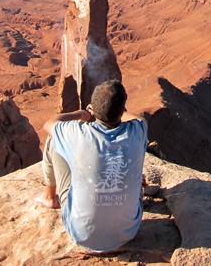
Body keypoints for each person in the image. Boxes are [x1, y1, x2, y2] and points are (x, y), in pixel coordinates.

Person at [34, 79, 148, 254]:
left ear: (93, 108)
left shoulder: (77, 133)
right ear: (122, 109)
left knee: (54, 140)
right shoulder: (138, 130)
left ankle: (49, 197)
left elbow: (48, 124)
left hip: (81, 235)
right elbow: (138, 118)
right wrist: (118, 111)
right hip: (127, 234)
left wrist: (81, 113)